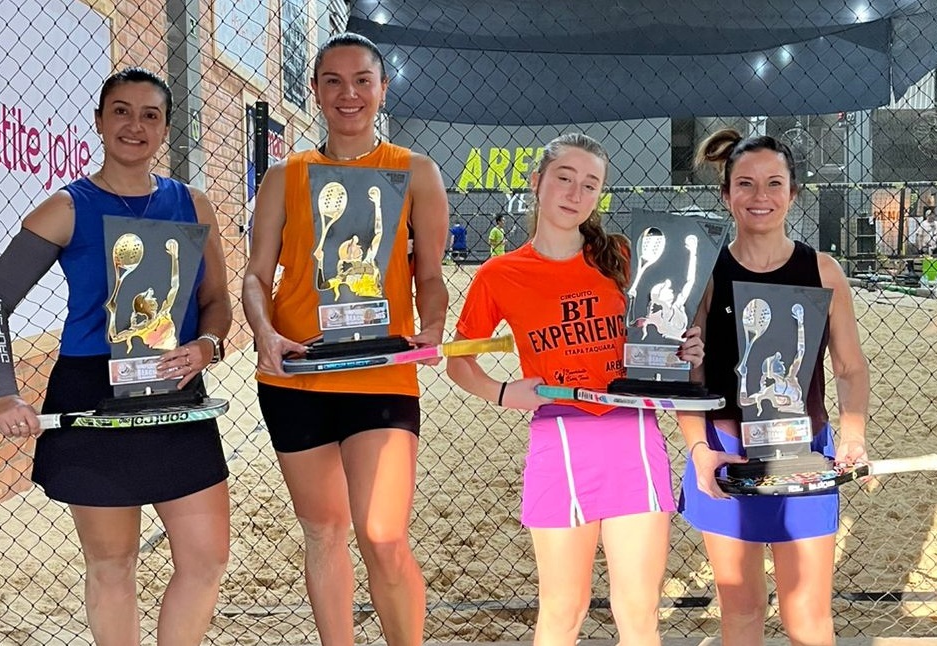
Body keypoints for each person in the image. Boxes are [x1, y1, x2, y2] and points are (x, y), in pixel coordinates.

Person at [0, 67, 232, 646]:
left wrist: (207, 346)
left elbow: (216, 301)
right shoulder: (68, 207)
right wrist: (4, 392)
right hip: (92, 392)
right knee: (113, 565)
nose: (134, 125)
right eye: (121, 111)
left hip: (172, 389)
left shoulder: (193, 204)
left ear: (165, 128)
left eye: (149, 115)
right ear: (98, 121)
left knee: (207, 557)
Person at [447, 132, 704, 646]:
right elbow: (459, 362)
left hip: (633, 438)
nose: (575, 193)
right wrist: (504, 393)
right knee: (564, 609)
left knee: (639, 611)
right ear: (536, 181)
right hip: (560, 442)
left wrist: (687, 347)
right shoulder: (501, 273)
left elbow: (664, 332)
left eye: (590, 185)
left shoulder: (624, 256)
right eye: (564, 178)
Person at [242, 32, 449, 646]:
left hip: (380, 372)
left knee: (383, 535)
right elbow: (255, 276)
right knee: (325, 531)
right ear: (314, 91)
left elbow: (430, 276)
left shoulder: (415, 172)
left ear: (383, 89)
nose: (348, 93)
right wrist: (264, 333)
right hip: (297, 374)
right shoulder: (286, 176)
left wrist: (431, 327)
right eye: (332, 80)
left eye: (362, 79)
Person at [679, 129, 870, 646]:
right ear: (726, 194)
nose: (759, 196)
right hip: (727, 452)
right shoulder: (708, 273)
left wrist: (853, 435)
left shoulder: (822, 271)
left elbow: (850, 367)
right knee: (741, 609)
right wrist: (698, 451)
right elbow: (689, 378)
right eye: (745, 183)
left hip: (802, 450)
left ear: (792, 192)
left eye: (773, 183)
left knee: (806, 615)